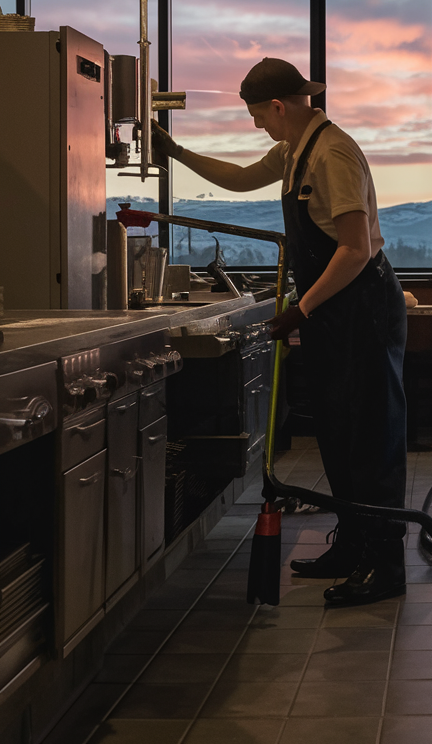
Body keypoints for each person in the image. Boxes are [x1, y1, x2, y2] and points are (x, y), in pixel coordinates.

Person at [152, 57, 408, 608]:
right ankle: (352, 544)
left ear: (278, 106)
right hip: (332, 308)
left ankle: (385, 564)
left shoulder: (333, 152)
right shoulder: (296, 149)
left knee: (369, 437)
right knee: (338, 434)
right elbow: (242, 180)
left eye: (257, 117)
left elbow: (356, 250)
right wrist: (175, 153)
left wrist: (300, 308)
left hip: (360, 306)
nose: (256, 127)